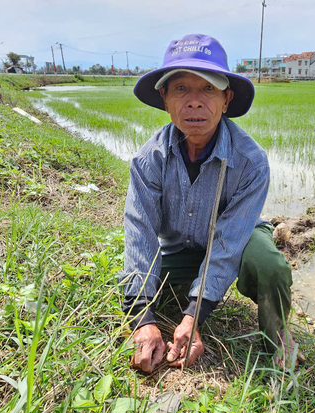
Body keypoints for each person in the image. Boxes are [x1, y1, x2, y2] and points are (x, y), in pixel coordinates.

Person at [121, 34, 294, 373]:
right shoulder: (148, 159)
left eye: (208, 89)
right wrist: (143, 318)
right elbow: (139, 233)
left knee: (271, 265)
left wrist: (194, 315)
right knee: (145, 292)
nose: (195, 102)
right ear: (165, 98)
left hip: (238, 241)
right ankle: (172, 301)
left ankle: (278, 340)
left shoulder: (250, 161)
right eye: (182, 89)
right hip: (179, 248)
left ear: (227, 99)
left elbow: (228, 243)